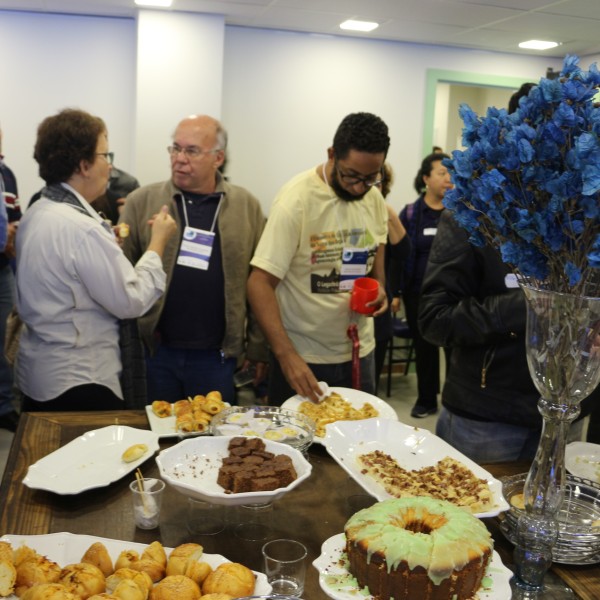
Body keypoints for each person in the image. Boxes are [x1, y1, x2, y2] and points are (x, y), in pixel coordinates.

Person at [15, 108, 176, 411]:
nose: (111, 167)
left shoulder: (39, 212)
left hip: (42, 374)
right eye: (105, 155)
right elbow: (131, 300)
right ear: (84, 165)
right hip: (80, 381)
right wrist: (158, 242)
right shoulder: (82, 229)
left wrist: (104, 247)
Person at [120, 115, 267, 406]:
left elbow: (260, 282)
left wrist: (259, 348)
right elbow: (120, 277)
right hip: (155, 352)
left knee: (210, 440)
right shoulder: (140, 201)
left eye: (192, 151)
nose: (179, 159)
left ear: (218, 158)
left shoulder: (246, 206)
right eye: (175, 149)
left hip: (217, 357)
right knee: (157, 439)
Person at [247, 112, 390, 405]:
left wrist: (381, 286)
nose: (359, 187)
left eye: (370, 178)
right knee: (299, 447)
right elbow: (259, 283)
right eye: (351, 175)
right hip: (303, 357)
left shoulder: (373, 198)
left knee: (358, 443)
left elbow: (379, 244)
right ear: (332, 155)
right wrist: (285, 356)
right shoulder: (296, 201)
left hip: (359, 351)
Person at [397, 152, 452, 418]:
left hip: (454, 295)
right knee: (424, 347)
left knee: (456, 349)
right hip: (418, 293)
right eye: (442, 173)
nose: (448, 178)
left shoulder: (461, 213)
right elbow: (400, 254)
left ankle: (454, 401)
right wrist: (396, 291)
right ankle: (427, 399)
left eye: (451, 172)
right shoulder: (410, 213)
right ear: (426, 179)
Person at [373, 163, 410, 391]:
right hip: (342, 313)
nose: (371, 188)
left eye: (376, 182)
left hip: (378, 308)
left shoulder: (385, 213)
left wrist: (386, 213)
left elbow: (404, 252)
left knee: (369, 384)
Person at [0, 125, 20, 431]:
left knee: (6, 335)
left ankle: (4, 405)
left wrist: (14, 232)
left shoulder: (6, 174)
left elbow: (15, 217)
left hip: (3, 268)